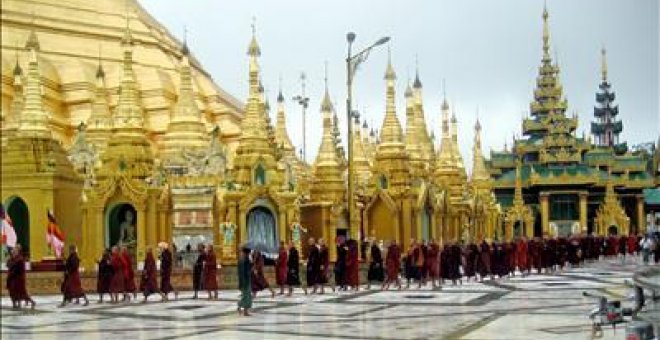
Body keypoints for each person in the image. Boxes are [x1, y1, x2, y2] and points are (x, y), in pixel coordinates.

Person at [6, 245, 36, 310]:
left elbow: (16, 268)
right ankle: (14, 304)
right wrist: (10, 261)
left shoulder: (20, 259)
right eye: (13, 251)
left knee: (21, 292)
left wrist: (11, 266)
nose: (13, 252)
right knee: (12, 292)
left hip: (18, 278)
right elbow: (8, 265)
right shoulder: (11, 258)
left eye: (15, 251)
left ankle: (32, 302)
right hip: (11, 278)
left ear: (18, 252)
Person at [237, 246, 253, 316]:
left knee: (246, 295)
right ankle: (244, 310)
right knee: (247, 296)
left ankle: (242, 308)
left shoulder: (241, 259)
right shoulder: (245, 259)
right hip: (246, 280)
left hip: (243, 279)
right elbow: (246, 271)